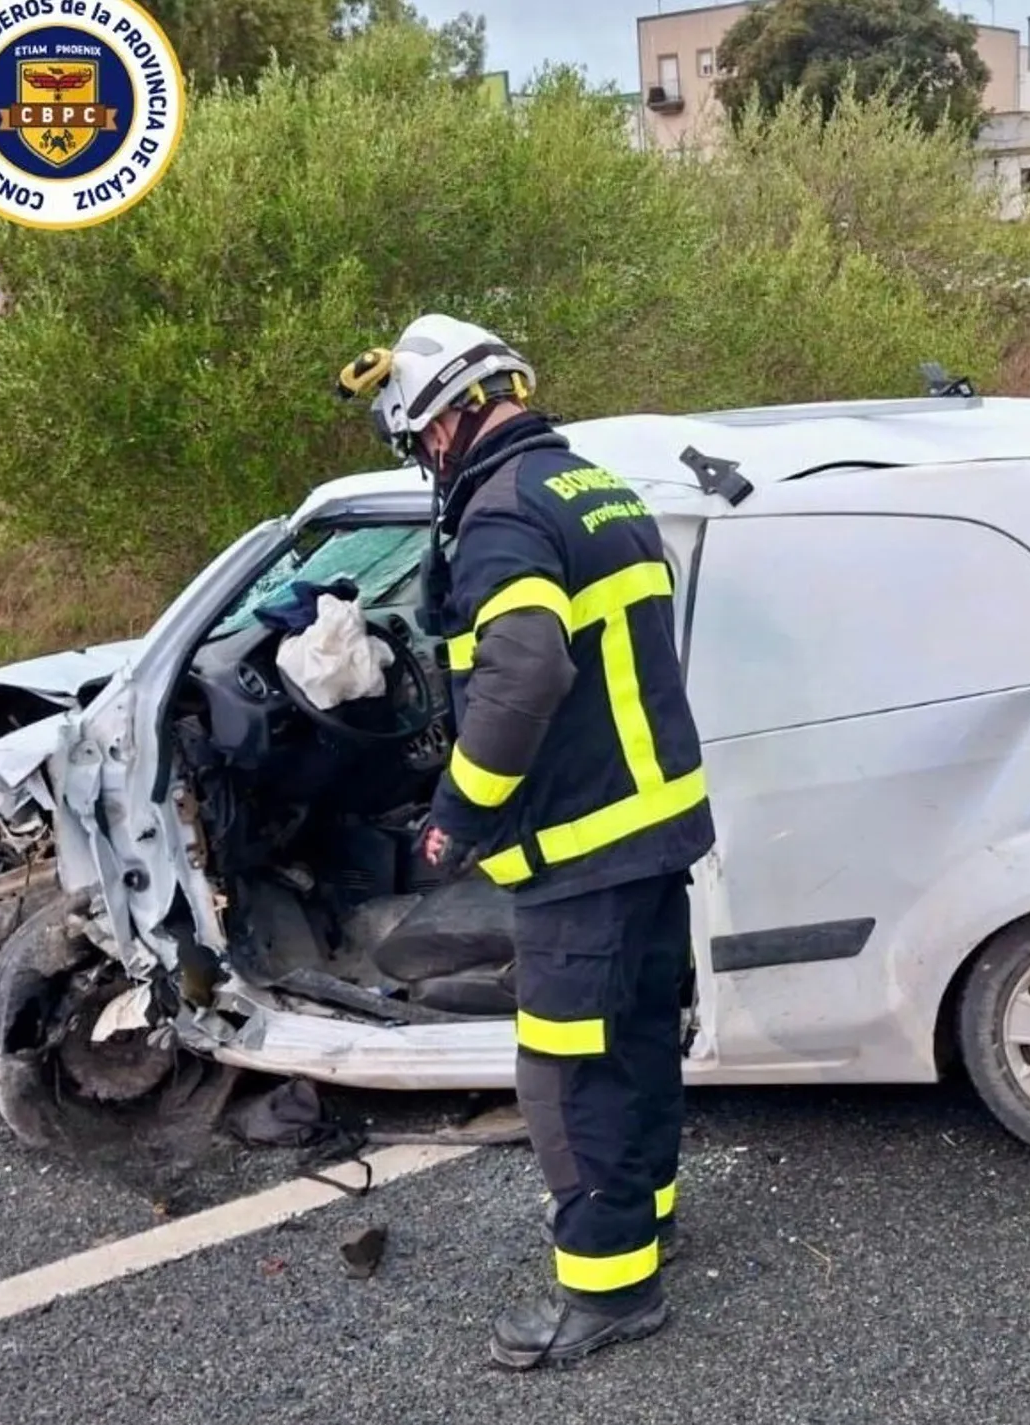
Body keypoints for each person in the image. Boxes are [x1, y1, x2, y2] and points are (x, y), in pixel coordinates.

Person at [336, 315, 715, 1370]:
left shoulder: (501, 514)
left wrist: (458, 813)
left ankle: (607, 1290)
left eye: (418, 444)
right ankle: (643, 1224)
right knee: (635, 1042)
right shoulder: (592, 487)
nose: (425, 465)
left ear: (444, 421)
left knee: (564, 1073)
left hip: (581, 852)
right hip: (651, 830)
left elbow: (526, 671)